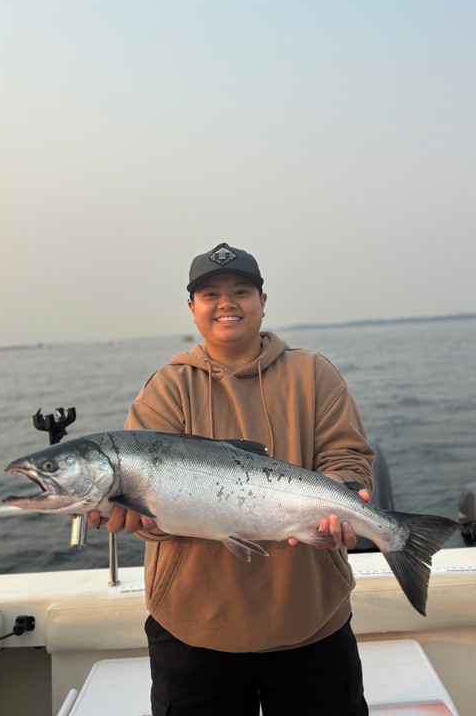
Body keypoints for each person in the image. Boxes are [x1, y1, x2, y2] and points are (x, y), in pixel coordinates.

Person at [88, 241, 375, 716]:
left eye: (241, 290)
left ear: (262, 302)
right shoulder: (168, 386)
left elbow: (346, 456)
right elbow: (149, 502)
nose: (227, 303)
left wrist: (345, 500)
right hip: (194, 626)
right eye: (210, 294)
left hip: (310, 618)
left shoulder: (315, 374)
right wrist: (138, 517)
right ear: (192, 308)